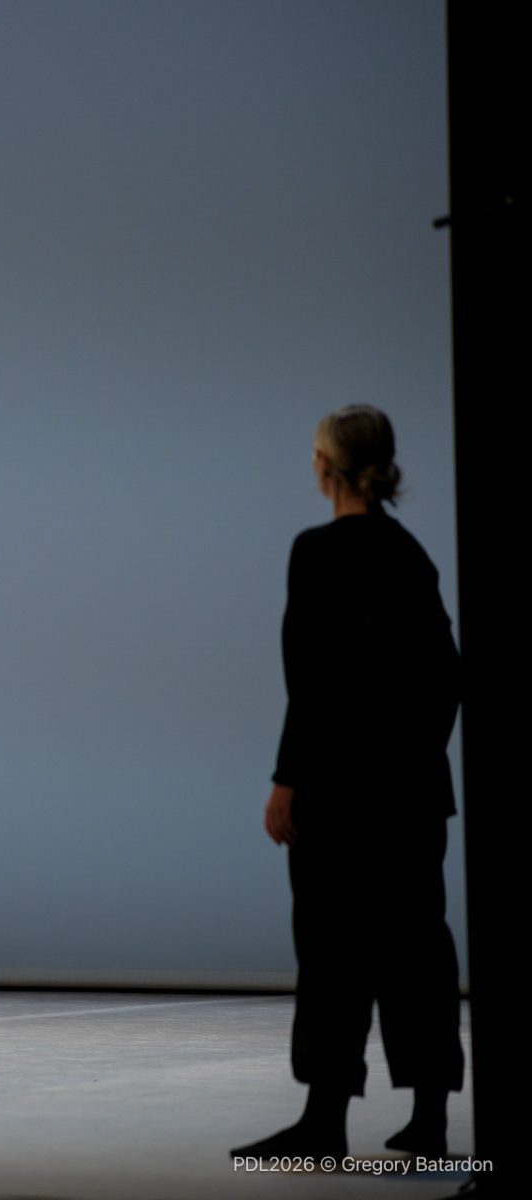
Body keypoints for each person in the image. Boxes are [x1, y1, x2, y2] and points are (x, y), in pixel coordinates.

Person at [233, 404, 464, 1162]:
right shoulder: (410, 553)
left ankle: (324, 1120)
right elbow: (446, 676)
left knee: (332, 948)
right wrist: (416, 758)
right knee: (416, 948)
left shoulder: (318, 552)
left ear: (325, 466)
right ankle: (429, 1120)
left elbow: (312, 682)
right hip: (409, 794)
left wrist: (287, 779)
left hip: (335, 791)